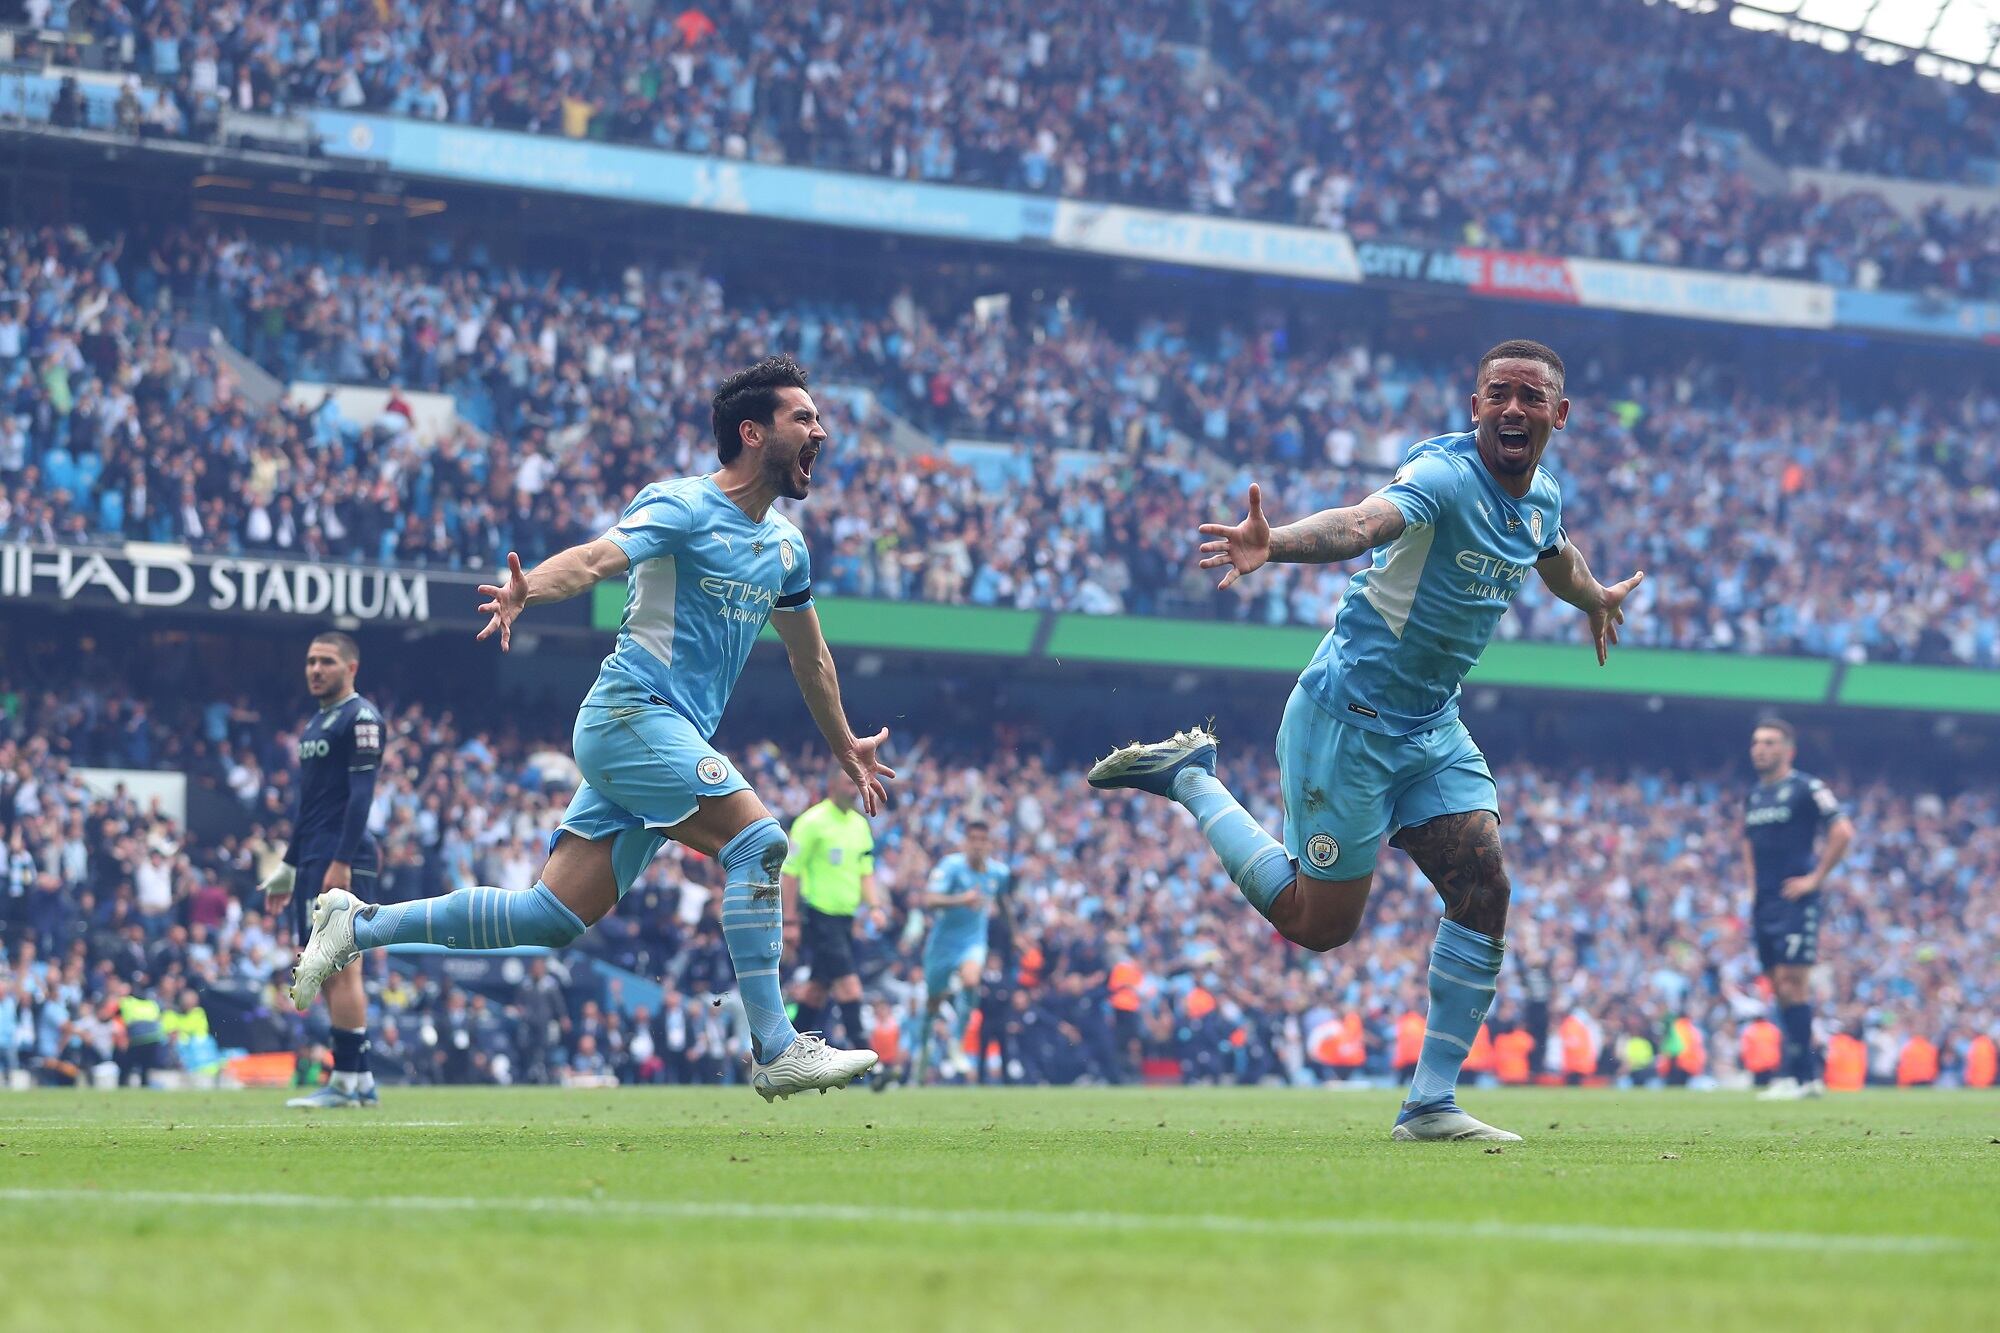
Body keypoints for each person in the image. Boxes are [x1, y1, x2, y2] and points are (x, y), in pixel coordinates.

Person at [290, 355, 891, 1102]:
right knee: (761, 840)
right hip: (629, 715)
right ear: (751, 431)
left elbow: (813, 658)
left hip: (669, 739)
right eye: (803, 418)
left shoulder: (787, 547)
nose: (819, 431)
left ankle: (358, 925)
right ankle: (776, 1045)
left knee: (546, 917)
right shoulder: (681, 506)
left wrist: (845, 744)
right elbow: (596, 559)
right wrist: (525, 591)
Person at [1088, 340, 1644, 1142]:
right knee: (1321, 926)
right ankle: (1192, 780)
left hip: (1431, 726)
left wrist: (1593, 596)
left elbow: (1553, 554)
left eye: (1530, 397)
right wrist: (1273, 542)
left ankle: (1429, 1103)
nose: (1513, 409)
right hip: (1346, 720)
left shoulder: (1541, 497)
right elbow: (1362, 520)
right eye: (1498, 394)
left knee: (1485, 887)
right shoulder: (1444, 477)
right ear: (1476, 405)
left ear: (1559, 415)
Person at [260, 630, 384, 1110]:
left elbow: (361, 797)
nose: (315, 669)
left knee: (343, 966)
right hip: (313, 855)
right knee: (325, 968)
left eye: (327, 661)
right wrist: (288, 866)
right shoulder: (317, 724)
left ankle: (350, 1081)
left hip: (342, 857)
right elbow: (308, 807)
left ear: (351, 668)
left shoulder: (361, 717)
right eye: (311, 661)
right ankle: (356, 1080)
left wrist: (341, 860)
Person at [1741, 718, 1854, 1101]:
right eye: (1756, 742)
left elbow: (1842, 830)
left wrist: (1815, 878)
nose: (1760, 748)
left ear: (1788, 750)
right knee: (1778, 988)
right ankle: (1801, 1075)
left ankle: (1801, 1075)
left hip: (1795, 897)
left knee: (1794, 983)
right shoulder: (1754, 796)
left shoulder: (1807, 788)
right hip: (1765, 902)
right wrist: (1752, 885)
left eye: (1770, 742)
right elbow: (1747, 843)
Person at [910, 819, 1011, 1084]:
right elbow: (930, 900)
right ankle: (922, 1052)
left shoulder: (998, 873)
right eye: (973, 839)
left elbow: (1003, 901)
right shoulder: (951, 867)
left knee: (971, 980)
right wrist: (961, 899)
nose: (978, 845)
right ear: (965, 842)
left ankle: (956, 1041)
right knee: (933, 1003)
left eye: (983, 840)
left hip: (973, 942)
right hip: (942, 945)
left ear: (990, 844)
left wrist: (1017, 935)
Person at [781, 777, 877, 1049]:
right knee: (849, 984)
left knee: (816, 992)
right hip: (818, 916)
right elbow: (790, 873)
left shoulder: (860, 825)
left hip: (846, 920)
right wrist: (790, 921)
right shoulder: (812, 822)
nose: (854, 789)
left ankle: (786, 1052)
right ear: (832, 784)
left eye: (856, 784)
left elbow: (866, 872)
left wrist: (875, 907)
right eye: (848, 782)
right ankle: (867, 1059)